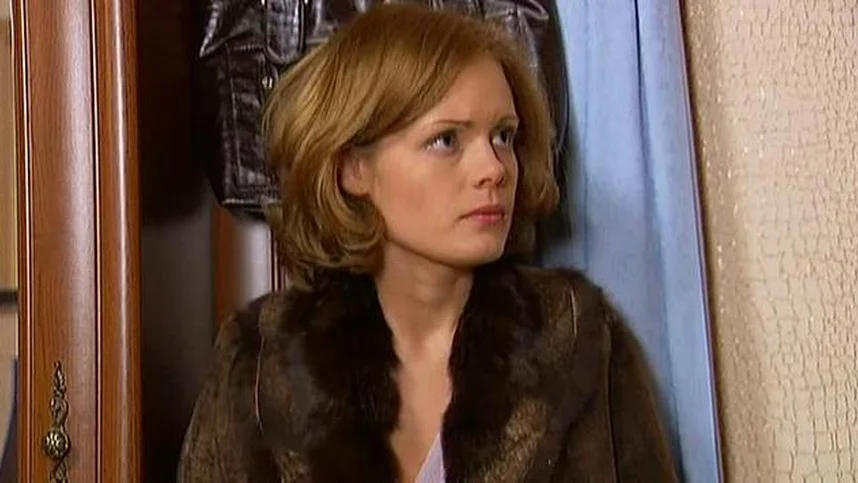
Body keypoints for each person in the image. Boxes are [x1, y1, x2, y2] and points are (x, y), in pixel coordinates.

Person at [178, 3, 677, 482]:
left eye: (503, 136)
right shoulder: (259, 361)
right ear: (353, 168)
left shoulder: (577, 335)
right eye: (447, 140)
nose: (493, 169)